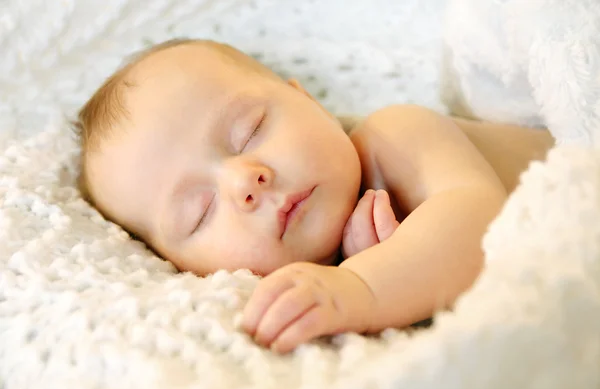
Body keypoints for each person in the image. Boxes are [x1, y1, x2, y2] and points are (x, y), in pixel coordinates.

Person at [74, 39, 555, 353]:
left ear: (306, 99)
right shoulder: (314, 284)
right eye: (199, 212)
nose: (245, 181)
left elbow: (478, 222)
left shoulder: (394, 137)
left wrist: (362, 289)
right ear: (182, 267)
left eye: (249, 132)